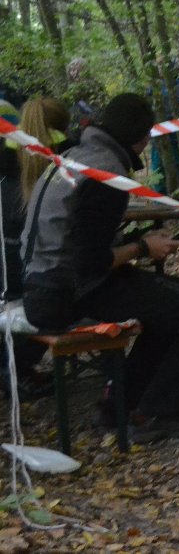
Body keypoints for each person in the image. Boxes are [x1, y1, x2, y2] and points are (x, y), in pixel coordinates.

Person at [20, 93, 179, 442]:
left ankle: (119, 407)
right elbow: (90, 263)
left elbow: (83, 243)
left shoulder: (75, 155)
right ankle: (157, 413)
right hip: (64, 294)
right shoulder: (106, 173)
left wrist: (139, 241)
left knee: (172, 308)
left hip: (41, 284)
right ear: (142, 137)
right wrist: (142, 247)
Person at [0, 97, 70, 399]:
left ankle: (16, 369)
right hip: (24, 289)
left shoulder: (8, 171)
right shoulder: (61, 169)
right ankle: (13, 370)